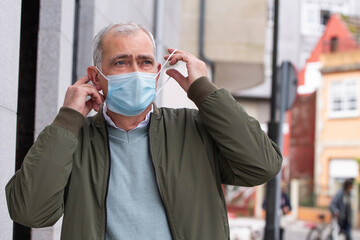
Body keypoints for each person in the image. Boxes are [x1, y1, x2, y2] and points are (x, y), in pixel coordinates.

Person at [5, 22, 282, 240]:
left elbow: (263, 165)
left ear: (157, 70)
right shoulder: (72, 139)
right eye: (121, 62)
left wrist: (205, 92)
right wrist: (67, 119)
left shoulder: (194, 129)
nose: (136, 71)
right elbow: (30, 212)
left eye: (145, 62)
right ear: (95, 76)